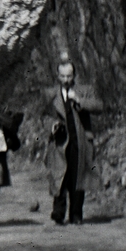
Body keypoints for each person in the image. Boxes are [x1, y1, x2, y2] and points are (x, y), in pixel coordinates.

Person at [47, 56, 94, 226]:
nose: (66, 80)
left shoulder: (84, 90)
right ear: (57, 76)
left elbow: (99, 106)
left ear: (74, 75)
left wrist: (80, 101)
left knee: (77, 178)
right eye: (63, 76)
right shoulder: (51, 95)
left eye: (69, 76)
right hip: (59, 142)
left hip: (80, 141)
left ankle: (76, 214)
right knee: (60, 176)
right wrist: (51, 126)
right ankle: (58, 213)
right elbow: (44, 116)